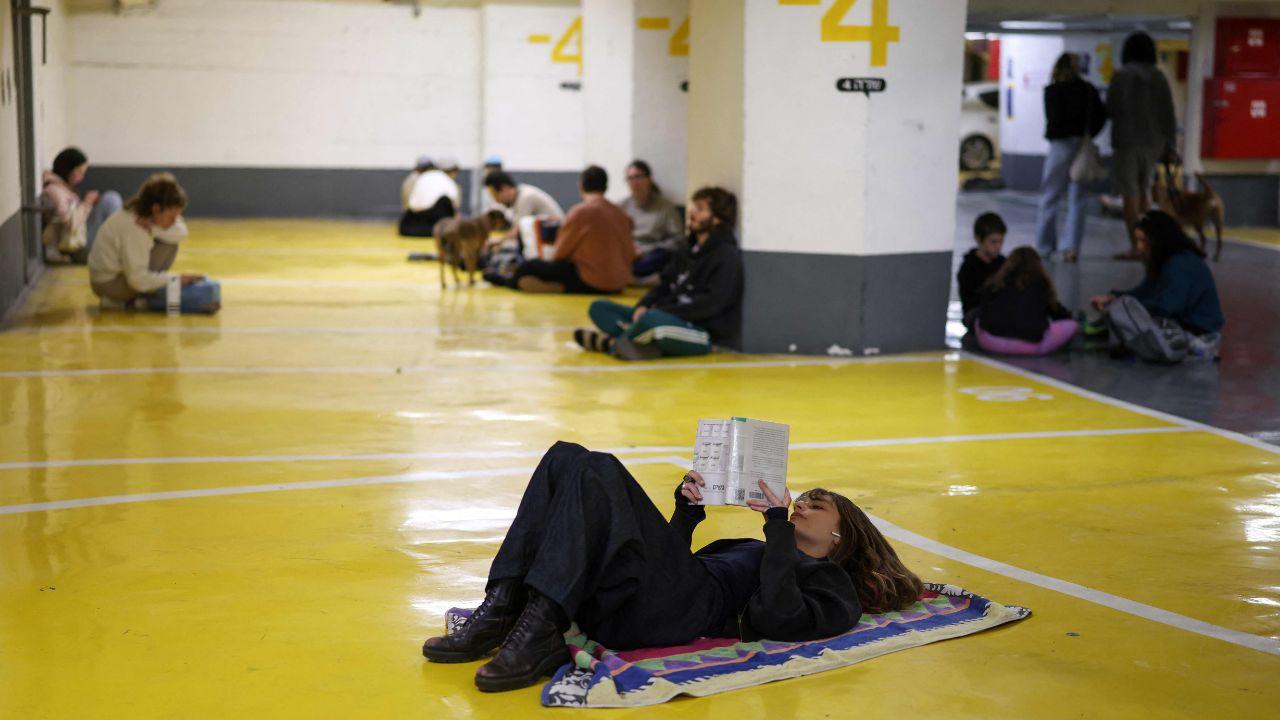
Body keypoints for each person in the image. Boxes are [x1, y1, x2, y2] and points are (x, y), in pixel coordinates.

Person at [421, 441, 924, 693]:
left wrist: (775, 527)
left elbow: (779, 619)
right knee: (566, 456)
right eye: (804, 500)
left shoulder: (831, 584)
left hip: (670, 613)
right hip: (653, 596)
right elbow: (668, 564)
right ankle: (503, 606)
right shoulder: (751, 545)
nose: (803, 504)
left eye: (818, 504)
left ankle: (537, 625)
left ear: (841, 534)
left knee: (597, 468)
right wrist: (686, 512)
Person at [574, 186, 742, 360]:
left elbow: (710, 304)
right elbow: (664, 285)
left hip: (699, 331)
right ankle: (639, 344)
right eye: (693, 207)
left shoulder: (726, 256)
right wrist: (644, 304)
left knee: (653, 322)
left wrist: (661, 312)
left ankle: (610, 344)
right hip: (666, 316)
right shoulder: (687, 249)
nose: (692, 212)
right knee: (600, 308)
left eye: (700, 209)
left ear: (717, 219)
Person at [1090, 210, 1224, 363]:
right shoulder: (1165, 261)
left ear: (1158, 240)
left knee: (1130, 320)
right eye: (1137, 241)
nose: (1139, 247)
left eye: (1143, 241)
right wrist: (1113, 298)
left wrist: (1123, 308)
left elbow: (1168, 307)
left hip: (1196, 330)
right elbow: (1145, 291)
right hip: (1183, 323)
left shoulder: (1180, 265)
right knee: (1126, 315)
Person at [88, 173, 220, 314]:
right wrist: (175, 279)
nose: (175, 222)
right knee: (167, 247)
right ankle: (123, 300)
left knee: (170, 244)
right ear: (156, 209)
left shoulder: (144, 216)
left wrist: (154, 229)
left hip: (114, 278)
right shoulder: (135, 227)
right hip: (109, 284)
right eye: (171, 217)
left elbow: (182, 232)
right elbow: (137, 280)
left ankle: (130, 299)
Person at [1107, 32, 1177, 261]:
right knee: (1146, 191)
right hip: (1153, 142)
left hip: (1127, 142)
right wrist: (1170, 144)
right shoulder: (1159, 77)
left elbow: (1112, 108)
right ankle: (1149, 244)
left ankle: (1136, 245)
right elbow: (1168, 113)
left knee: (1130, 195)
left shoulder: (1120, 76)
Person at [511, 166, 633, 294]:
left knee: (529, 267)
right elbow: (630, 253)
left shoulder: (581, 212)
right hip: (619, 283)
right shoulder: (622, 214)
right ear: (606, 186)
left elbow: (559, 253)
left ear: (581, 186)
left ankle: (509, 281)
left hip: (591, 281)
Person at [1035, 53, 1108, 263]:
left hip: (1059, 146)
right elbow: (1101, 116)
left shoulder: (1052, 90)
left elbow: (1052, 120)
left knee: (1050, 196)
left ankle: (1044, 247)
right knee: (1078, 199)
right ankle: (1071, 248)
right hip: (1081, 146)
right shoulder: (1087, 90)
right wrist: (1088, 134)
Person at [974, 247, 1077, 355]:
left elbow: (983, 308)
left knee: (977, 319)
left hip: (990, 342)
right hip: (1030, 346)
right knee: (1071, 325)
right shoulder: (1040, 283)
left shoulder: (995, 282)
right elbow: (1057, 312)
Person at [39, 147, 123, 263]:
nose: (81, 177)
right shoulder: (54, 191)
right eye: (79, 172)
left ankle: (120, 249)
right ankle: (121, 251)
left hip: (78, 239)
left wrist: (87, 205)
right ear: (68, 170)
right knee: (111, 199)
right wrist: (86, 204)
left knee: (110, 200)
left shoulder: (62, 188)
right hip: (74, 246)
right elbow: (70, 224)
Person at [620, 160, 683, 281]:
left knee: (663, 256)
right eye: (630, 179)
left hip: (652, 252)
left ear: (649, 179)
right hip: (628, 252)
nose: (634, 183)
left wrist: (645, 251)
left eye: (638, 177)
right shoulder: (622, 206)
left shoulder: (665, 207)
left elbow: (678, 239)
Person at [482, 171, 564, 248]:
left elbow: (517, 232)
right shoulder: (519, 195)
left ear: (505, 188)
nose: (496, 200)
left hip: (556, 240)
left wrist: (493, 242)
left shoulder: (525, 198)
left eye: (495, 195)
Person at [957, 212, 1007, 328]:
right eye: (993, 242)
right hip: (976, 313)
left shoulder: (1003, 263)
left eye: (1001, 242)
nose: (998, 246)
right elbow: (970, 300)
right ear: (979, 239)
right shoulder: (968, 267)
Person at [399, 157, 461, 237]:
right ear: (453, 171)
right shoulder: (448, 182)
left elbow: (408, 204)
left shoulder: (420, 178)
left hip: (409, 225)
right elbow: (455, 209)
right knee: (445, 201)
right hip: (435, 223)